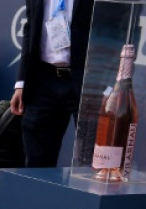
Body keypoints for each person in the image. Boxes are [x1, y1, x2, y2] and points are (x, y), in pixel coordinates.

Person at [10, 0, 94, 167]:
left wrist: (107, 81)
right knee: (36, 160)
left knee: (90, 158)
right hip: (42, 80)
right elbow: (30, 28)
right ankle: (38, 194)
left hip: (87, 80)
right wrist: (21, 83)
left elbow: (116, 26)